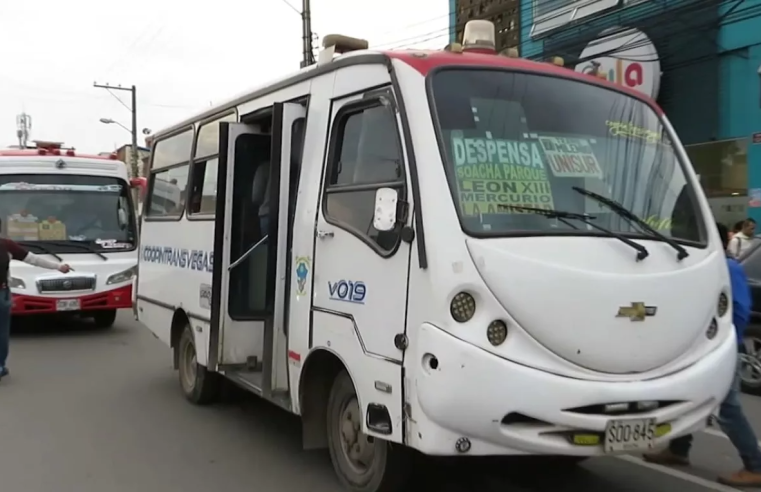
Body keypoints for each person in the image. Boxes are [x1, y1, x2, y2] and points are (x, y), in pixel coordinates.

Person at [642, 222, 761, 487]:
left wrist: (722, 341)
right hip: (701, 347)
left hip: (722, 348)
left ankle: (755, 464)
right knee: (687, 397)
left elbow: (739, 310)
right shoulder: (702, 268)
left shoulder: (727, 268)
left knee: (727, 408)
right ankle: (678, 451)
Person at [0, 221, 72, 381]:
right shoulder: (6, 245)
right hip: (1, 292)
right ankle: (0, 366)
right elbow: (32, 259)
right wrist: (58, 267)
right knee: (2, 332)